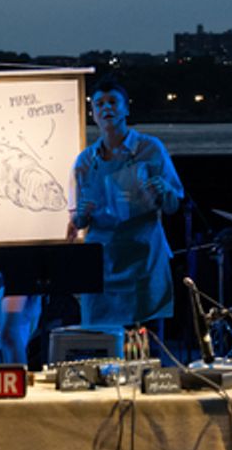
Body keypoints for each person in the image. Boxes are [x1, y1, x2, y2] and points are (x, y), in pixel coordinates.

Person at [67, 78, 183, 327]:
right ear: (93, 114)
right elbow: (77, 220)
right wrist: (82, 215)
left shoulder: (150, 149)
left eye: (112, 102)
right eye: (99, 104)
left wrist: (163, 192)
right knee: (101, 342)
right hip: (103, 263)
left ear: (126, 109)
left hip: (143, 259)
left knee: (147, 341)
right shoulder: (85, 160)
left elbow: (174, 205)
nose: (106, 109)